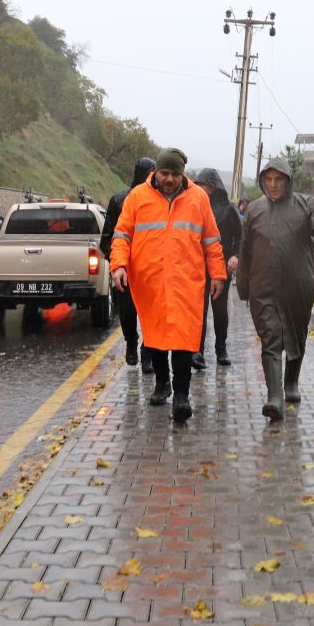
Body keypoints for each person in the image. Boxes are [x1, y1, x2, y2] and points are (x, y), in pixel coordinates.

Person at [110, 148, 227, 422]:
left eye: (175, 174)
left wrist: (218, 274)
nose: (170, 179)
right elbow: (121, 235)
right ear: (156, 172)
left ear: (183, 173)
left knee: (185, 338)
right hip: (149, 281)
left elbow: (211, 239)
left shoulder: (198, 198)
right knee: (156, 336)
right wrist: (118, 265)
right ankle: (163, 384)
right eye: (165, 173)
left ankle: (182, 397)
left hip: (188, 281)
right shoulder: (137, 197)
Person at [237, 157, 314, 420]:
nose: (273, 185)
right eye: (268, 180)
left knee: (296, 335)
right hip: (263, 287)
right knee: (270, 338)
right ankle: (275, 398)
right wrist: (243, 285)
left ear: (288, 181)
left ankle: (291, 381)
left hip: (298, 287)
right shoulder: (254, 210)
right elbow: (245, 251)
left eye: (278, 180)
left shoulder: (305, 205)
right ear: (262, 181)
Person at [100, 157, 156, 368]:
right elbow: (107, 238)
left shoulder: (157, 201)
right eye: (151, 171)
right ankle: (131, 343)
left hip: (150, 269)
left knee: (151, 315)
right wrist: (117, 264)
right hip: (125, 270)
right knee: (127, 313)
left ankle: (148, 352)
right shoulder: (119, 200)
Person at [192, 168, 241, 368]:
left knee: (220, 310)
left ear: (212, 187)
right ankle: (198, 351)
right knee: (198, 311)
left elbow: (240, 234)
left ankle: (221, 348)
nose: (199, 189)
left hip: (221, 266)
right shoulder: (193, 206)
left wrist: (236, 255)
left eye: (202, 185)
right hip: (197, 267)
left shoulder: (229, 209)